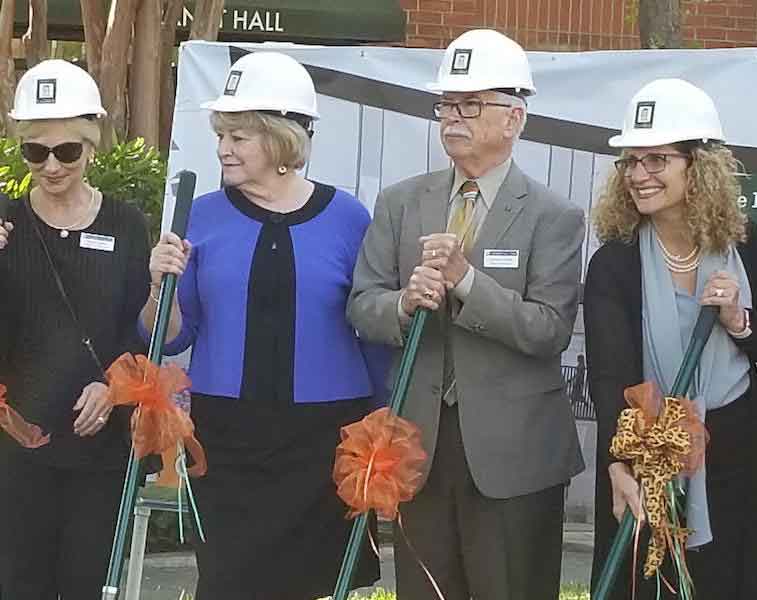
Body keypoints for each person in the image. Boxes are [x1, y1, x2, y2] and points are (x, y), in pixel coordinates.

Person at [347, 29, 585, 600]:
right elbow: (362, 306)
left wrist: (467, 282)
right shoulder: (401, 203)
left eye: (471, 105)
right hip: (420, 446)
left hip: (515, 455)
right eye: (447, 105)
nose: (453, 117)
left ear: (514, 119)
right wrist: (404, 303)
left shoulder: (554, 216)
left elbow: (549, 330)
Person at [142, 51, 380, 599]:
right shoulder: (199, 215)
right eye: (221, 134)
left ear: (280, 140)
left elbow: (370, 328)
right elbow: (173, 333)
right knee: (229, 582)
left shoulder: (349, 218)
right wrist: (160, 286)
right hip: (229, 441)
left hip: (325, 440)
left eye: (239, 136)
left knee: (317, 583)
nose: (223, 147)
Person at [584, 78, 757, 600]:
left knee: (727, 578)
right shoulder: (614, 261)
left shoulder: (746, 243)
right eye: (631, 162)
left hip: (731, 447)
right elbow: (608, 373)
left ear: (696, 165)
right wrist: (619, 465)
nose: (639, 174)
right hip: (644, 452)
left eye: (656, 160)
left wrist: (735, 320)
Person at [0, 59, 150, 599]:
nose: (51, 166)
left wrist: (114, 385)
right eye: (35, 152)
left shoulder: (126, 224)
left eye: (67, 151)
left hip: (98, 450)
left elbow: (142, 329)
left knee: (89, 584)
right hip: (16, 450)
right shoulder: (5, 221)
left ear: (91, 147)